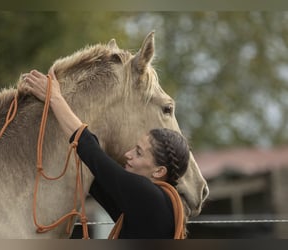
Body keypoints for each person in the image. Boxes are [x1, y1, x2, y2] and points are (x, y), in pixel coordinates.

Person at [22, 69, 190, 239]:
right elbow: (94, 175)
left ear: (159, 171)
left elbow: (92, 153)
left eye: (139, 153)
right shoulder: (158, 206)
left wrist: (55, 98)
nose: (128, 154)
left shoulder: (148, 196)